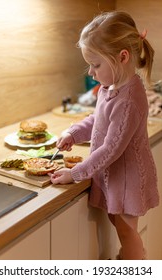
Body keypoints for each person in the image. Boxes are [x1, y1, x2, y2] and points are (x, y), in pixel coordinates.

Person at [50, 11, 159, 260]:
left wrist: (74, 174)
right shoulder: (110, 88)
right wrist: (73, 133)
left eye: (95, 64)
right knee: (120, 225)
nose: (90, 72)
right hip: (115, 175)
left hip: (128, 178)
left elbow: (111, 148)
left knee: (127, 233)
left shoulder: (129, 99)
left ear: (122, 58)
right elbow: (97, 120)